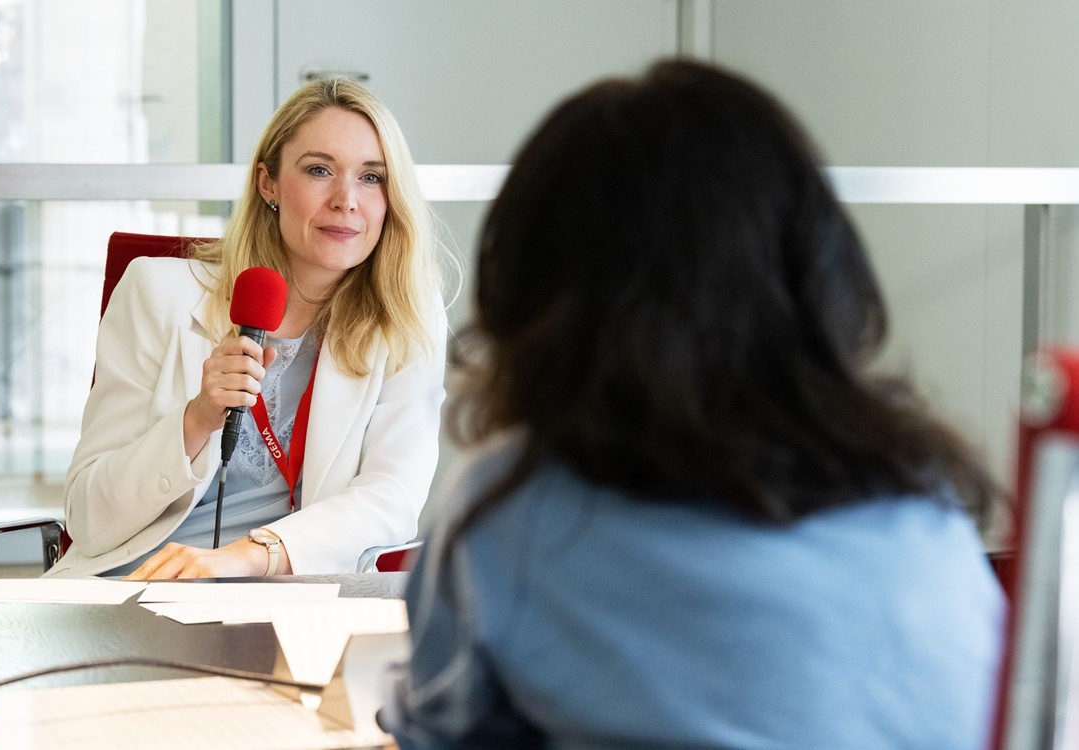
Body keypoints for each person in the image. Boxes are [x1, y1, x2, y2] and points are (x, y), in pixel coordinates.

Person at [384, 59, 1004, 749]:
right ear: (814, 263)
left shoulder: (510, 508)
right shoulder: (923, 506)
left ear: (537, 291)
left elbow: (442, 732)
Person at [45, 76, 450, 579]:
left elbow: (393, 495)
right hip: (135, 586)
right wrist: (197, 418)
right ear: (268, 183)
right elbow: (88, 519)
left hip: (285, 588)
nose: (347, 199)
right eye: (320, 170)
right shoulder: (157, 292)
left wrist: (249, 556)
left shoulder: (406, 315)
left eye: (371, 177)